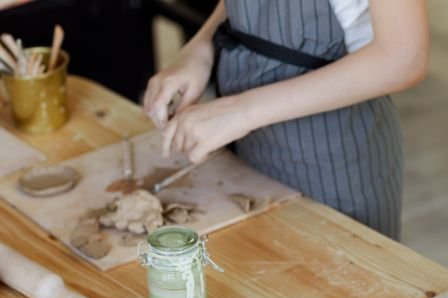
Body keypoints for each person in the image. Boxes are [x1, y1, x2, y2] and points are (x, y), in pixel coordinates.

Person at [143, 0, 429, 240]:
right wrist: (199, 50)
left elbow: (405, 58)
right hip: (246, 137)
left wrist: (241, 111)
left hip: (332, 156)